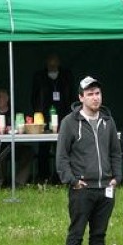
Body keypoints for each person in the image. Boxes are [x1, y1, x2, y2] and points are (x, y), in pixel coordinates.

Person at [55, 76, 123, 245]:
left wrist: (116, 177)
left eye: (98, 93)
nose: (95, 98)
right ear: (81, 97)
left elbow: (115, 152)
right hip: (82, 188)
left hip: (105, 188)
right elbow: (62, 157)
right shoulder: (69, 122)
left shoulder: (107, 121)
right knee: (77, 232)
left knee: (99, 233)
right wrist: (72, 180)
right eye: (90, 94)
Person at [31, 53, 74, 182]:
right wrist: (38, 113)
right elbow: (34, 97)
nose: (52, 65)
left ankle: (60, 176)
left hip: (63, 116)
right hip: (44, 117)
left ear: (59, 63)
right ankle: (43, 176)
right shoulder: (39, 76)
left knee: (62, 148)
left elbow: (71, 95)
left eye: (55, 62)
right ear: (46, 63)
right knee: (43, 147)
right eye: (50, 63)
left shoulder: (66, 76)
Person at [0, 87, 32, 187]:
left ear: (7, 98)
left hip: (14, 146)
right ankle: (0, 182)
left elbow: (22, 127)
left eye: (0, 97)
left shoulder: (15, 111)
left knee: (28, 152)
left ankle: (19, 182)